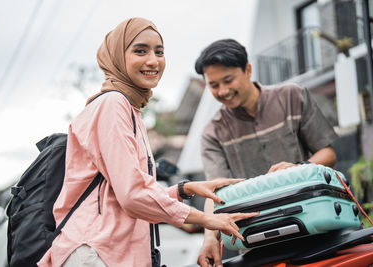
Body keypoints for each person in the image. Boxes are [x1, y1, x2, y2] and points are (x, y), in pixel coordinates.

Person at [38, 19, 258, 267]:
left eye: (159, 51)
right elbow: (133, 196)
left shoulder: (130, 109)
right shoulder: (112, 104)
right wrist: (205, 219)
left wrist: (184, 190)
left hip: (108, 252)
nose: (153, 60)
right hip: (96, 251)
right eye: (140, 51)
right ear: (118, 57)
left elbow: (124, 196)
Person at [194, 39, 338, 267]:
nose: (223, 91)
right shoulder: (213, 133)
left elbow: (328, 153)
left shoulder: (293, 96)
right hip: (258, 238)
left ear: (248, 69)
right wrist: (210, 238)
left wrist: (300, 167)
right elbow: (215, 191)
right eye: (213, 85)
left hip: (314, 222)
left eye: (228, 80)